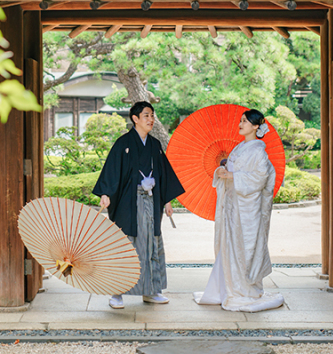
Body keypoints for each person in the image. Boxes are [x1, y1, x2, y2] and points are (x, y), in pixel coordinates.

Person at [92, 101, 185, 309]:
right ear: (135, 119)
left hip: (152, 200)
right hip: (128, 201)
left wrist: (167, 200)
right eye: (146, 115)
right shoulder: (123, 144)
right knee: (126, 244)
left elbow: (163, 174)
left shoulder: (154, 145)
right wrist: (105, 193)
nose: (151, 119)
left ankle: (151, 290)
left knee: (152, 243)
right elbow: (112, 170)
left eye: (152, 115)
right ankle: (117, 292)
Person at [193, 109, 285, 312]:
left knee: (245, 248)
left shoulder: (258, 152)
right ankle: (228, 287)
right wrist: (221, 171)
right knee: (229, 246)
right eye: (240, 121)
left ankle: (245, 289)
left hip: (247, 210)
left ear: (255, 127)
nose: (240, 124)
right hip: (233, 205)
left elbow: (260, 178)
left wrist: (233, 177)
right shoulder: (239, 148)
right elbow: (233, 172)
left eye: (245, 121)